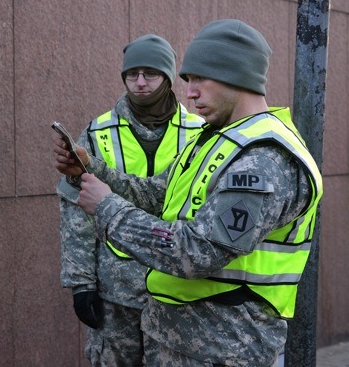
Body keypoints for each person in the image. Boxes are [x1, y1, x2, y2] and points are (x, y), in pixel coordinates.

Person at [54, 19, 323, 366]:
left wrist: (106, 208)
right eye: (188, 80)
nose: (190, 92)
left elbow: (196, 251)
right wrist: (91, 169)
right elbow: (156, 195)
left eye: (199, 79)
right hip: (181, 342)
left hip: (226, 347)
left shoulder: (264, 158)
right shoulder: (213, 137)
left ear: (235, 75)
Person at [57, 35, 203, 365]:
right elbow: (75, 210)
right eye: (131, 73)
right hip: (114, 293)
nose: (139, 83)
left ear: (168, 78)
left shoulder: (199, 133)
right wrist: (81, 283)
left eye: (150, 73)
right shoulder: (98, 132)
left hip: (178, 292)